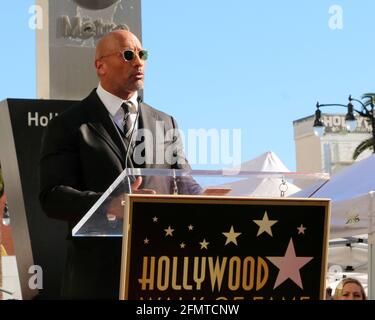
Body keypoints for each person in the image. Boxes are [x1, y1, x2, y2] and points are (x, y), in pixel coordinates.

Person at [39, 30, 201, 299]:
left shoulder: (166, 123)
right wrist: (110, 204)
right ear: (99, 66)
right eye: (128, 55)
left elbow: (184, 183)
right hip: (97, 280)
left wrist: (208, 198)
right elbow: (52, 196)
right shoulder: (67, 125)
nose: (138, 62)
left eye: (142, 54)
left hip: (157, 277)